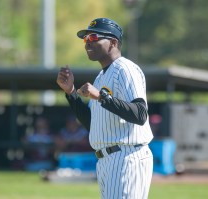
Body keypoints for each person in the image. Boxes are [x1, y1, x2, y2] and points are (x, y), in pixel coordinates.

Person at [56, 18, 154, 199]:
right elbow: (92, 123)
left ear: (113, 43)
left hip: (127, 156)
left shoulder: (125, 69)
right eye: (86, 39)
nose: (87, 43)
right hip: (107, 159)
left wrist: (101, 96)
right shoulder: (101, 76)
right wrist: (71, 92)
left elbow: (140, 114)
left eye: (94, 37)